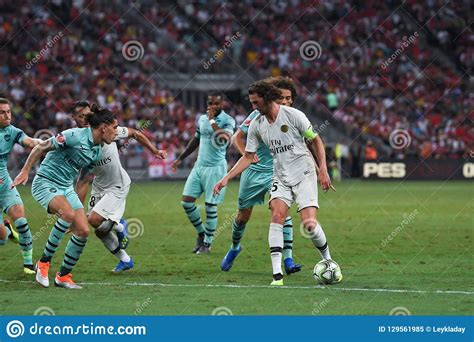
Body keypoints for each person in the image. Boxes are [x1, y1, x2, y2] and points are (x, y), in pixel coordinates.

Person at [214, 81, 342, 286]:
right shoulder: (256, 123)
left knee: (309, 225)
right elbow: (247, 156)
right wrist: (226, 178)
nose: (254, 107)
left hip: (303, 174)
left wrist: (323, 170)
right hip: (279, 175)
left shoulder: (294, 116)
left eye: (256, 102)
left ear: (267, 98)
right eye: (251, 103)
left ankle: (327, 260)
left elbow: (315, 140)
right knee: (276, 214)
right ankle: (277, 275)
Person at [11, 105, 118, 289]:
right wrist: (25, 171)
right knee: (67, 214)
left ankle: (63, 276)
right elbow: (41, 147)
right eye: (115, 128)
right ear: (104, 127)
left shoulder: (97, 150)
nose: (116, 133)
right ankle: (43, 263)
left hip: (66, 187)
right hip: (46, 182)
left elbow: (83, 181)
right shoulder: (73, 136)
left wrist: (80, 210)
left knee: (83, 231)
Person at [73, 101, 167, 273]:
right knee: (99, 230)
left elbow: (135, 134)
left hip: (118, 185)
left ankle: (120, 226)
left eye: (87, 115)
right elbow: (83, 179)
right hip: (99, 187)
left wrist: (154, 151)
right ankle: (126, 260)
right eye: (80, 116)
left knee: (93, 219)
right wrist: (76, 211)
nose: (85, 119)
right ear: (74, 119)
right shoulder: (80, 143)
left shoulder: (109, 131)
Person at [221, 76, 302, 274]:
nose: (284, 101)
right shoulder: (257, 115)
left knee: (281, 211)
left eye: (288, 98)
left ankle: (288, 259)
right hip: (253, 172)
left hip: (277, 171)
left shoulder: (292, 116)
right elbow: (236, 137)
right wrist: (247, 154)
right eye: (281, 97)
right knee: (242, 216)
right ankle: (234, 248)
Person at [172, 92, 235, 254]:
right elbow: (196, 139)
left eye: (215, 103)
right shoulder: (201, 119)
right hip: (199, 166)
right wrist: (180, 158)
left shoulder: (228, 120)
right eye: (209, 103)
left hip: (216, 168)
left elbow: (223, 139)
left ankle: (207, 244)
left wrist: (212, 120)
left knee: (210, 206)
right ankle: (201, 234)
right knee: (186, 202)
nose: (212, 106)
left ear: (222, 105)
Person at [0, 97, 41, 274]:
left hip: (5, 186)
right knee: (2, 239)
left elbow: (31, 142)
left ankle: (28, 265)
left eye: (8, 112)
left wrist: (53, 143)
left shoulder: (13, 131)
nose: (6, 115)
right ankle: (7, 231)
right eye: (2, 112)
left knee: (23, 223)